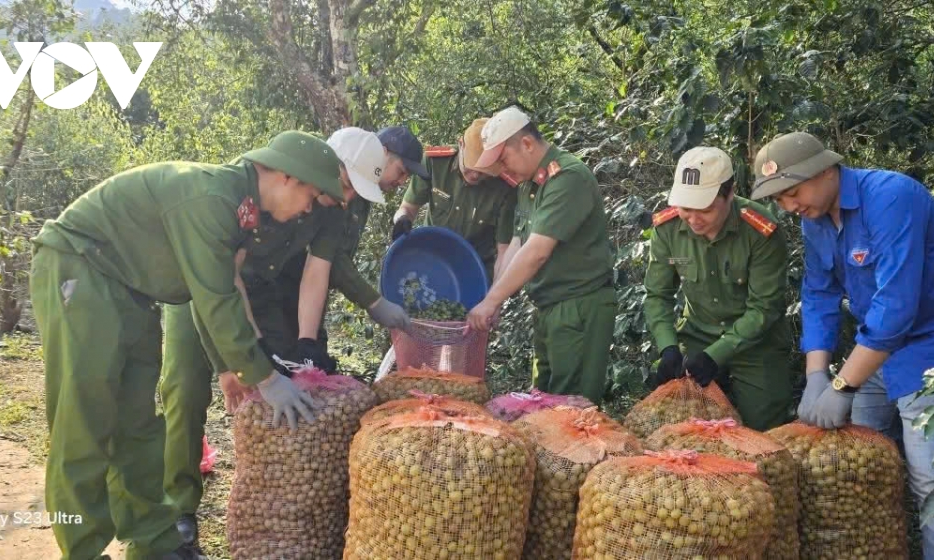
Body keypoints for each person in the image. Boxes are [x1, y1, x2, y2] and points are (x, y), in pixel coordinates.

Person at [30, 131, 337, 560]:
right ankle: (82, 549)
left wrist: (250, 362)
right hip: (80, 268)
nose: (308, 208)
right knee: (83, 420)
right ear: (287, 176)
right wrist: (265, 379)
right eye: (311, 195)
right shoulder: (212, 198)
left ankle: (154, 544)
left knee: (138, 423)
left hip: (132, 291)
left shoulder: (243, 209)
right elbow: (216, 299)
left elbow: (226, 288)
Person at [160, 127, 424, 551]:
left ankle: (271, 512)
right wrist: (229, 365)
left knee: (269, 388)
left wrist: (305, 344)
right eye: (344, 185)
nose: (346, 197)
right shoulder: (257, 186)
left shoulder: (332, 210)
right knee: (186, 390)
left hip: (258, 294)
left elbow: (316, 273)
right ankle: (178, 510)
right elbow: (218, 281)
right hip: (198, 285)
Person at [750, 131, 934, 558]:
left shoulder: (892, 197)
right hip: (877, 351)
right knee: (859, 461)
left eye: (793, 192)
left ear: (826, 170)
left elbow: (895, 307)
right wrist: (816, 374)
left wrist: (843, 386)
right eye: (780, 199)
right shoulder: (814, 219)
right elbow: (819, 293)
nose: (789, 206)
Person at [467, 107, 616, 404]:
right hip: (548, 307)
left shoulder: (567, 178)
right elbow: (517, 244)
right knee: (543, 403)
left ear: (526, 143)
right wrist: (495, 299)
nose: (502, 170)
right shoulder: (528, 186)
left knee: (571, 409)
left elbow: (536, 252)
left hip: (578, 306)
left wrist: (492, 301)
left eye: (503, 159)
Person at [642, 146, 794, 431]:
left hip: (756, 343)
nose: (693, 219)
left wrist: (716, 355)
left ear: (730, 193)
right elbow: (657, 295)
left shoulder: (759, 231)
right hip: (697, 333)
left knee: (762, 428)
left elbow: (764, 308)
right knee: (679, 424)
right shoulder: (668, 228)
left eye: (705, 209)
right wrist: (668, 347)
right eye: (686, 208)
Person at [391, 118, 519, 281]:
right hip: (431, 258)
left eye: (484, 172)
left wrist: (495, 294)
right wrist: (402, 219)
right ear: (461, 145)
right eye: (471, 166)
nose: (475, 175)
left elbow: (504, 251)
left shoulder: (504, 188)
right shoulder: (435, 162)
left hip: (474, 270)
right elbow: (407, 208)